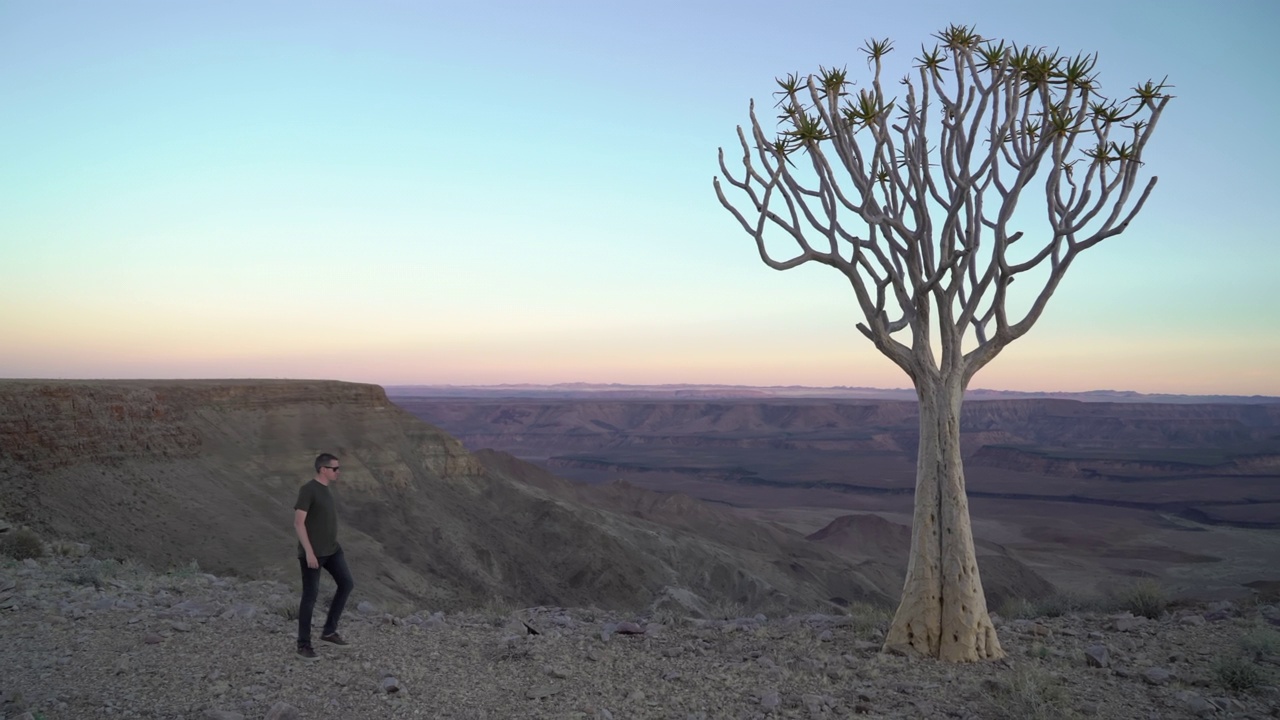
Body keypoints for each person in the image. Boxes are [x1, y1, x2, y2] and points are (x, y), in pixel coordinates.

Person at [293, 452, 355, 659]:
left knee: (346, 584)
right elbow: (298, 523)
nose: (338, 472)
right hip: (314, 554)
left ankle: (329, 631)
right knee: (310, 597)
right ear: (323, 469)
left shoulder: (326, 489)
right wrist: (309, 553)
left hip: (332, 550)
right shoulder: (308, 490)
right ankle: (303, 645)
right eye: (335, 469)